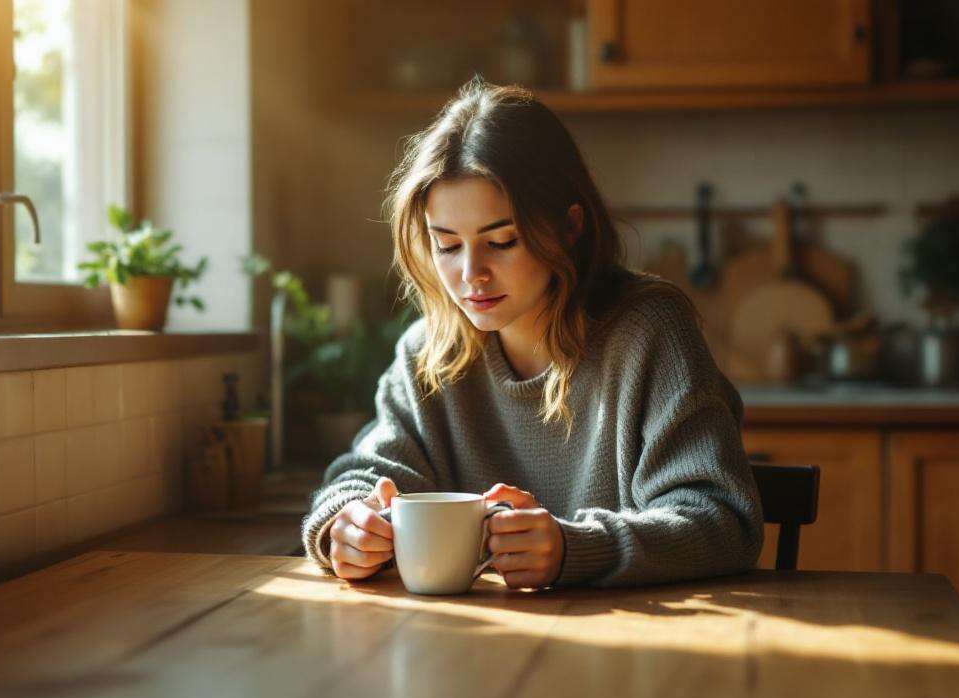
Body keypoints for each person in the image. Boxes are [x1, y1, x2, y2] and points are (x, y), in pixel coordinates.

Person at [300, 78, 763, 589]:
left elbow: (724, 521)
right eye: (447, 245)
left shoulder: (648, 333)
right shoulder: (428, 351)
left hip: (635, 654)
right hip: (474, 653)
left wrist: (576, 547)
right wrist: (345, 525)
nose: (471, 274)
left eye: (501, 241)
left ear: (569, 228)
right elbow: (365, 476)